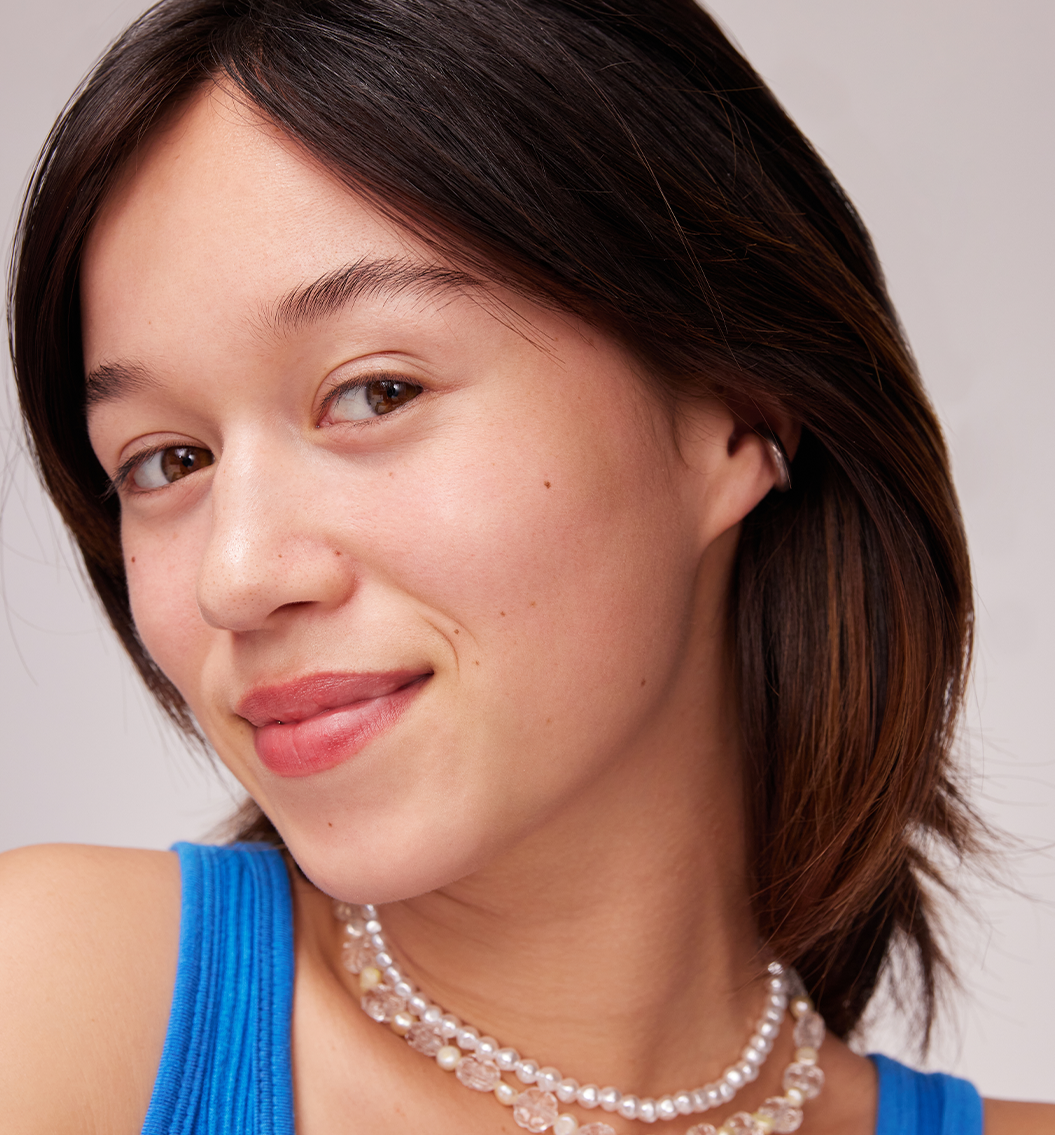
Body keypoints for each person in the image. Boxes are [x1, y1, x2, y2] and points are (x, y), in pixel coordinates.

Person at [1, 0, 1051, 1131]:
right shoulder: (61, 1006)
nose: (236, 576)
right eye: (166, 461)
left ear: (735, 417)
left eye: (375, 392)